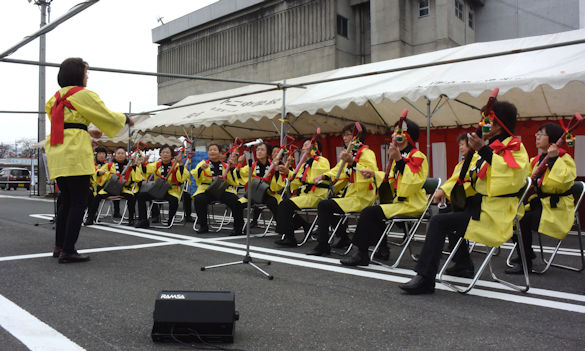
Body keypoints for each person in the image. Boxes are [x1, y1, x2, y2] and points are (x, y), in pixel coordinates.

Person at [399, 101, 529, 294]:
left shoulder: (515, 146)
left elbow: (512, 178)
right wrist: (445, 189)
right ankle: (461, 264)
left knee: (438, 222)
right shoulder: (488, 146)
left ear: (498, 123)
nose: (484, 123)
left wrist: (483, 150)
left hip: (497, 213)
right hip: (480, 208)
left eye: (488, 120)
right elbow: (466, 175)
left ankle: (426, 278)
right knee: (446, 215)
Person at [46, 57, 132, 263]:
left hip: (58, 150)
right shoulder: (83, 94)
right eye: (85, 72)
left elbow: (65, 123)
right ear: (78, 75)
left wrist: (87, 129)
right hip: (75, 152)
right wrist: (125, 119)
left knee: (65, 200)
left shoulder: (54, 98)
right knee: (79, 200)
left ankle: (59, 246)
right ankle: (68, 250)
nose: (87, 76)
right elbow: (104, 114)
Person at [340, 118, 428, 266]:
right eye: (393, 131)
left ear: (407, 136)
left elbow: (411, 183)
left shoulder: (417, 156)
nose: (393, 135)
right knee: (374, 212)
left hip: (412, 203)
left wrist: (399, 160)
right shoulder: (398, 156)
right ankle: (381, 248)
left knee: (370, 212)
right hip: (399, 203)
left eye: (397, 132)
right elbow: (392, 179)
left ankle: (362, 253)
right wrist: (374, 174)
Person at [505, 123, 576, 274]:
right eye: (536, 134)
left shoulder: (564, 158)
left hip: (556, 208)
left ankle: (526, 262)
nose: (536, 137)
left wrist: (553, 160)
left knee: (522, 221)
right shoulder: (535, 160)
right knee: (512, 216)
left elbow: (561, 183)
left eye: (541, 134)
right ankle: (526, 253)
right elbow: (526, 180)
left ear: (552, 139)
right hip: (540, 205)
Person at [308, 122, 378, 256]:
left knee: (325, 205)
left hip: (363, 197)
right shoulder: (349, 153)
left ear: (357, 136)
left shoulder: (367, 153)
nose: (344, 138)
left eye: (348, 135)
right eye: (343, 135)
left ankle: (323, 245)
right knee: (328, 204)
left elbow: (369, 173)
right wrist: (323, 175)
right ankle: (342, 238)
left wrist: (353, 163)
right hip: (351, 197)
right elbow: (336, 171)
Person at [431, 133, 479, 277]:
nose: (460, 147)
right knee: (445, 214)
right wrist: (444, 191)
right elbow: (454, 181)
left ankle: (460, 259)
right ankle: (461, 260)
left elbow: (459, 181)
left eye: (463, 144)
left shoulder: (476, 159)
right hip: (462, 203)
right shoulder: (461, 163)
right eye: (459, 145)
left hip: (472, 203)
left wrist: (443, 190)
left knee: (446, 218)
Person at [274, 138, 330, 247]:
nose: (304, 148)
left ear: (315, 147)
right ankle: (299, 228)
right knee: (284, 203)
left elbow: (313, 178)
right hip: (306, 195)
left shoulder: (322, 160)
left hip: (317, 195)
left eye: (307, 145)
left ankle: (290, 237)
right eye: (304, 145)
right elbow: (297, 181)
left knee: (285, 205)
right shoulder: (305, 164)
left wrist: (310, 160)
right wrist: (288, 172)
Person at [191, 143, 244, 235]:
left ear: (220, 153)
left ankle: (238, 228)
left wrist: (231, 169)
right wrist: (200, 169)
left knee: (236, 201)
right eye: (210, 150)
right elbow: (196, 175)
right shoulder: (203, 163)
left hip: (222, 190)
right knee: (199, 199)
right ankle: (203, 226)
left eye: (215, 150)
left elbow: (233, 181)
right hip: (207, 189)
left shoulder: (225, 165)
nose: (212, 151)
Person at [134, 144, 190, 228]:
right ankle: (143, 220)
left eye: (167, 152)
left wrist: (181, 163)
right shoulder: (156, 164)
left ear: (172, 155)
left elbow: (182, 178)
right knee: (141, 196)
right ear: (160, 154)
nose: (165, 154)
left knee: (174, 200)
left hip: (171, 190)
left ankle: (170, 219)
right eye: (163, 152)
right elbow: (145, 170)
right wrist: (143, 163)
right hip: (158, 190)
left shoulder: (176, 165)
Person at [87, 146, 142, 225]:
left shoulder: (130, 166)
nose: (120, 155)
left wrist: (134, 166)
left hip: (122, 189)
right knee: (97, 197)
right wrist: (99, 173)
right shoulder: (109, 165)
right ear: (115, 155)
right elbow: (98, 171)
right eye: (118, 153)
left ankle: (131, 219)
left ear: (125, 155)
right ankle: (90, 218)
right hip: (110, 189)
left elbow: (137, 178)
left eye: (122, 153)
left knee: (131, 196)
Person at [234, 142, 281, 228]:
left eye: (262, 150)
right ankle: (238, 228)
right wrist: (239, 163)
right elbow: (239, 174)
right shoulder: (252, 165)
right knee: (237, 205)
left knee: (274, 203)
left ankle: (281, 227)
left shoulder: (273, 166)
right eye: (258, 150)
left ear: (268, 153)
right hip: (254, 194)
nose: (259, 152)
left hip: (267, 194)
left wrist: (277, 170)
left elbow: (278, 183)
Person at [85, 146, 109, 225]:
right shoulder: (92, 164)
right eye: (99, 153)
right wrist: (98, 173)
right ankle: (91, 215)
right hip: (93, 187)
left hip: (105, 187)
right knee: (90, 194)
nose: (101, 155)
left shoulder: (109, 165)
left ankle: (91, 216)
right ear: (96, 155)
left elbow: (110, 175)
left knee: (94, 195)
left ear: (106, 155)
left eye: (103, 154)